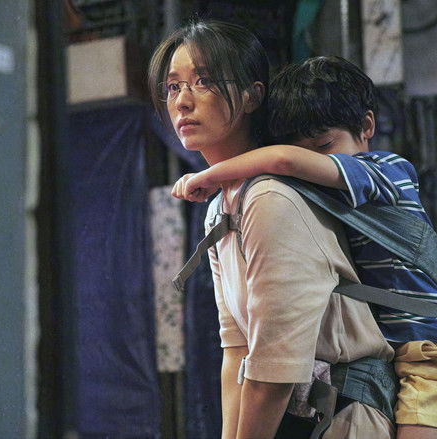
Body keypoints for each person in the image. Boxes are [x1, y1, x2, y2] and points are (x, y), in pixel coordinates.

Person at [172, 56, 437, 439]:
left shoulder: (386, 171)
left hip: (432, 357)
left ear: (367, 126)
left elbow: (285, 160)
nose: (313, 164)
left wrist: (209, 176)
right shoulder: (311, 200)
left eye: (323, 146)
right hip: (390, 357)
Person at [150, 21, 398, 438]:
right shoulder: (220, 208)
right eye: (173, 87)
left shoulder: (270, 198)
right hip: (299, 420)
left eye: (204, 81)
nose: (183, 101)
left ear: (252, 95)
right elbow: (237, 349)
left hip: (344, 419)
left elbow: (274, 375)